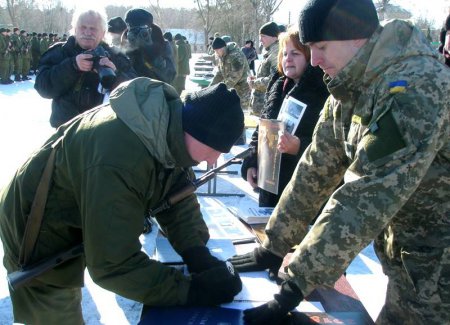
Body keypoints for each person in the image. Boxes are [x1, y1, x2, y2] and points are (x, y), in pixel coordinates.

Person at [230, 0, 450, 324]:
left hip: (439, 259)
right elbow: (315, 167)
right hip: (409, 254)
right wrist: (274, 244)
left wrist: (295, 284)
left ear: (356, 38)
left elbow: (364, 193)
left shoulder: (414, 87)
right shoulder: (351, 82)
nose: (314, 60)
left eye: (321, 47)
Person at [0, 79, 244, 324]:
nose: (214, 161)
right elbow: (114, 264)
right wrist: (191, 291)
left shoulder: (166, 128)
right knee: (57, 313)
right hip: (36, 227)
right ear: (195, 131)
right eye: (217, 149)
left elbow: (176, 195)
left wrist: (197, 253)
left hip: (79, 204)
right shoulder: (119, 159)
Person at [241, 27, 328, 208]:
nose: (287, 58)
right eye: (285, 53)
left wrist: (299, 147)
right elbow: (262, 129)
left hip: (302, 192)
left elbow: (330, 145)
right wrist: (251, 162)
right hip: (270, 186)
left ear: (309, 56)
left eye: (295, 53)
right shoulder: (278, 86)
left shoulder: (322, 91)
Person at [34, 9, 137, 128]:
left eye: (93, 29)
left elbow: (135, 90)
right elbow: (43, 88)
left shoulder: (116, 56)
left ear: (103, 33)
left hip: (103, 131)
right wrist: (72, 66)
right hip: (66, 131)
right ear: (75, 29)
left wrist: (116, 75)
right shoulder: (60, 53)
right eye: (83, 27)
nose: (88, 33)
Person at [209, 37, 250, 145]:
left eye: (218, 50)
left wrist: (220, 89)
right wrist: (210, 88)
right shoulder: (222, 56)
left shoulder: (235, 55)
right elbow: (219, 73)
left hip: (241, 89)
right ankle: (233, 137)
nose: (217, 53)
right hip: (231, 89)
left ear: (223, 47)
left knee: (238, 114)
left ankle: (240, 138)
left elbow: (235, 76)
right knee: (230, 113)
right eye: (215, 51)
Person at [124, 8, 176, 84]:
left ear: (149, 30)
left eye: (140, 31)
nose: (136, 35)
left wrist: (152, 54)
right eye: (132, 31)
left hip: (156, 92)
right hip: (132, 93)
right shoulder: (124, 46)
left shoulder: (162, 45)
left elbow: (169, 76)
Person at [249, 21, 280, 116]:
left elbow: (275, 80)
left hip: (266, 107)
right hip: (261, 106)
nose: (260, 40)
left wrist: (254, 83)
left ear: (274, 37)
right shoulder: (270, 52)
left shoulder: (276, 53)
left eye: (263, 36)